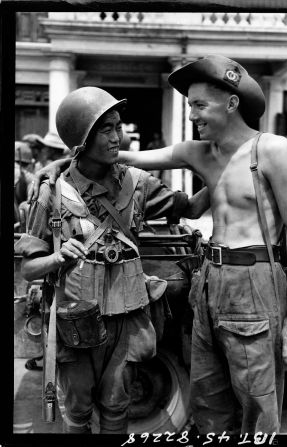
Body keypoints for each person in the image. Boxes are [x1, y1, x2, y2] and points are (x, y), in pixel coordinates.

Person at [29, 56, 287, 435]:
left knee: (256, 401)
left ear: (231, 104)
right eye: (189, 105)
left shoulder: (273, 151)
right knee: (206, 398)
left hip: (254, 279)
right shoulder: (198, 153)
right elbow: (118, 154)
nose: (192, 115)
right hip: (208, 279)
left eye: (199, 105)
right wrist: (58, 166)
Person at [16, 86, 208, 434]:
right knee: (77, 412)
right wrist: (58, 257)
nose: (117, 136)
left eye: (118, 126)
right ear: (83, 137)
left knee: (118, 409)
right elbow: (29, 268)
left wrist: (224, 168)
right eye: (106, 129)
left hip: (128, 320)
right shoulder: (53, 191)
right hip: (77, 322)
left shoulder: (137, 184)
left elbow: (191, 208)